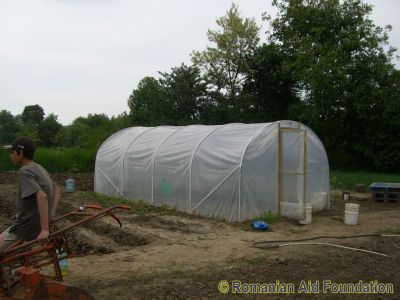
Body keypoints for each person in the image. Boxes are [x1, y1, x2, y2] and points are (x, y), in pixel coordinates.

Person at [0, 136, 61, 252]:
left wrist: (44, 230)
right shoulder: (39, 167)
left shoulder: (24, 171)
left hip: (25, 227)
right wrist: (51, 215)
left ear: (20, 153)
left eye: (12, 152)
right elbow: (57, 189)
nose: (10, 155)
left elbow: (42, 196)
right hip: (26, 225)